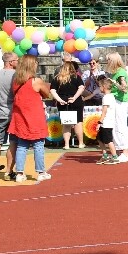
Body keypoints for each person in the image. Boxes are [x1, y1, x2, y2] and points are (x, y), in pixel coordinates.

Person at [8, 54, 53, 183]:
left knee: (22, 146)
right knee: (38, 145)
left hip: (21, 117)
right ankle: (41, 172)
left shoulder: (16, 81)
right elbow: (47, 93)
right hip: (35, 117)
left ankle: (20, 173)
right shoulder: (35, 81)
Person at [50, 58, 85, 149]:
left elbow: (52, 90)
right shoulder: (76, 77)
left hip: (63, 102)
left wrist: (59, 99)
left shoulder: (57, 78)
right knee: (78, 122)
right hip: (75, 101)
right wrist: (74, 97)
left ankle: (66, 144)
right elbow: (81, 87)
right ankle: (81, 143)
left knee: (66, 124)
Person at [108, 52, 128, 162]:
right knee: (116, 126)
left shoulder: (120, 72)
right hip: (117, 101)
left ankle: (124, 152)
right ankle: (120, 150)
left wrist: (114, 83)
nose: (107, 62)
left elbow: (124, 87)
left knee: (121, 125)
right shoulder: (117, 72)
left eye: (109, 60)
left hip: (121, 102)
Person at [95, 77, 118, 164]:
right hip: (107, 122)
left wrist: (99, 122)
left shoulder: (106, 97)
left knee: (108, 140)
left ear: (104, 87)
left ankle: (114, 156)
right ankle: (105, 155)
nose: (99, 88)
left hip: (107, 122)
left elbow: (104, 111)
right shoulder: (110, 96)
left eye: (100, 86)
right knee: (99, 138)